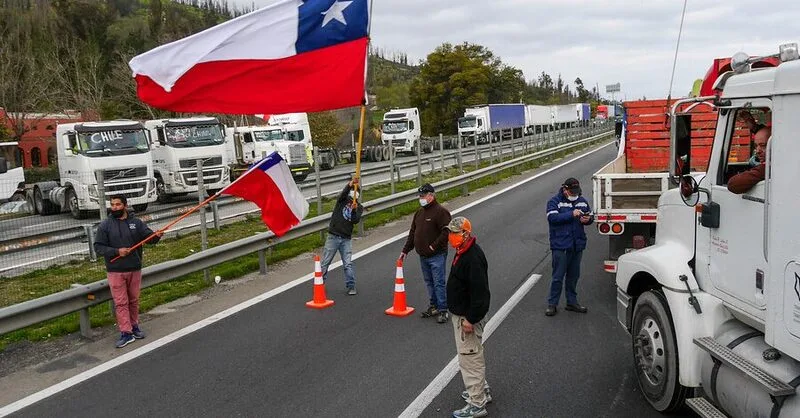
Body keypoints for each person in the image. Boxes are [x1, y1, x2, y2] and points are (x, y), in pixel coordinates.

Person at [94, 195, 162, 348]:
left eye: (118, 204)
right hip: (115, 271)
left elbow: (149, 238)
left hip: (134, 268)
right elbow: (98, 247)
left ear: (125, 205)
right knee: (121, 302)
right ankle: (126, 332)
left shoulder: (136, 223)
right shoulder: (105, 226)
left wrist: (156, 236)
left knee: (133, 300)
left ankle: (134, 326)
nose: (115, 207)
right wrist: (117, 251)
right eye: (112, 205)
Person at [445, 217, 492, 418]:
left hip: (468, 317)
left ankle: (477, 403)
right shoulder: (463, 251)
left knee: (470, 358)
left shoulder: (472, 257)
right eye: (450, 232)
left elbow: (481, 295)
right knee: (472, 355)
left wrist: (470, 319)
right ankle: (482, 390)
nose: (451, 236)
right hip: (463, 313)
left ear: (466, 234)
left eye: (455, 233)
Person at [400, 183, 452, 324]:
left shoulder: (441, 212)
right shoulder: (419, 213)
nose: (420, 198)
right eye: (420, 196)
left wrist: (433, 247)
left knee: (438, 283)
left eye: (423, 196)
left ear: (431, 196)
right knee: (429, 282)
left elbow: (446, 232)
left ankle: (443, 310)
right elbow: (413, 232)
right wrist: (405, 250)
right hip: (423, 256)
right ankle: (434, 306)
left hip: (437, 255)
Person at [545, 178, 593, 317]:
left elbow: (590, 216)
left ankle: (571, 302)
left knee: (574, 276)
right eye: (571, 192)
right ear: (565, 189)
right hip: (560, 245)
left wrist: (587, 220)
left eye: (575, 192)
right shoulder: (554, 202)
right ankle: (552, 304)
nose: (574, 194)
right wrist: (571, 214)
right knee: (558, 277)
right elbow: (552, 218)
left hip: (577, 245)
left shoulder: (582, 201)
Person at [320, 177, 363, 295]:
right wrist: (350, 184)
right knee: (325, 262)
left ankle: (351, 286)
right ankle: (319, 283)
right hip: (333, 236)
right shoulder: (342, 201)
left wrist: (354, 210)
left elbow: (355, 220)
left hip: (346, 239)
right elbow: (342, 194)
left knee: (347, 263)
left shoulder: (359, 207)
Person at [728, 126, 771, 194]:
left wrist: (763, 168)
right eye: (756, 146)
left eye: (763, 145)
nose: (757, 151)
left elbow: (733, 185)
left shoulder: (768, 169)